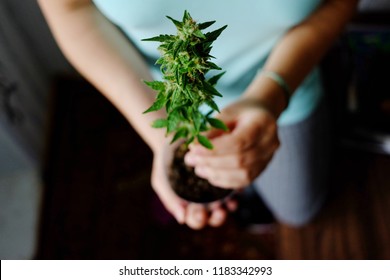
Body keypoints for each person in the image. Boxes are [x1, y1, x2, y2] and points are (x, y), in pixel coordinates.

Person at [37, 0, 358, 230]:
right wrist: (163, 140)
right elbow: (72, 12)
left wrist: (271, 96)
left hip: (287, 82)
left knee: (299, 211)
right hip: (172, 102)